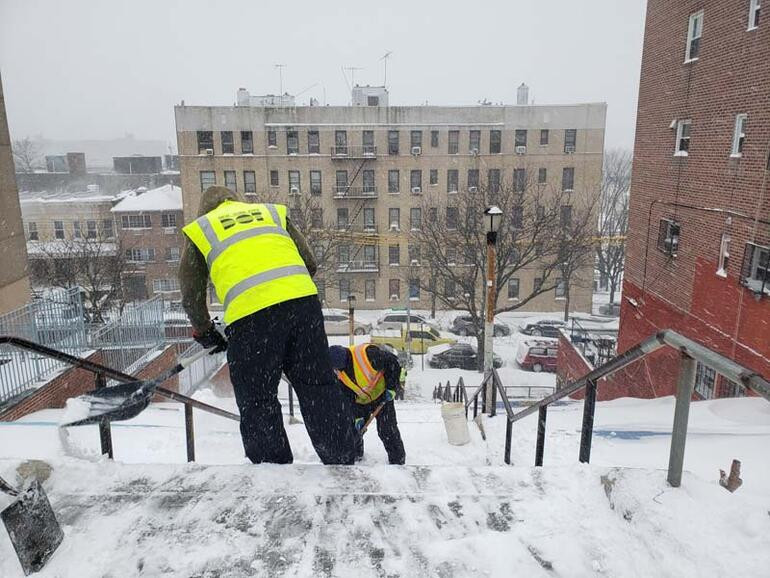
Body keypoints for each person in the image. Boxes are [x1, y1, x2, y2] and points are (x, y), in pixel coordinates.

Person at [180, 186, 357, 465]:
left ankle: (274, 474)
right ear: (236, 200)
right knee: (318, 386)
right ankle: (342, 459)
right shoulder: (269, 213)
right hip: (302, 305)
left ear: (204, 210)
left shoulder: (203, 228)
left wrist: (205, 330)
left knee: (258, 399)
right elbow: (309, 262)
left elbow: (190, 293)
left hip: (251, 319)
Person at [328, 344, 406, 465]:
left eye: (337, 368)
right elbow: (348, 397)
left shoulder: (367, 354)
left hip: (382, 396)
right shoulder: (339, 373)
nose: (336, 371)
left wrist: (391, 387)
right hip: (361, 401)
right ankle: (356, 456)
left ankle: (398, 461)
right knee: (354, 429)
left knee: (386, 429)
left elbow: (392, 363)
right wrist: (357, 416)